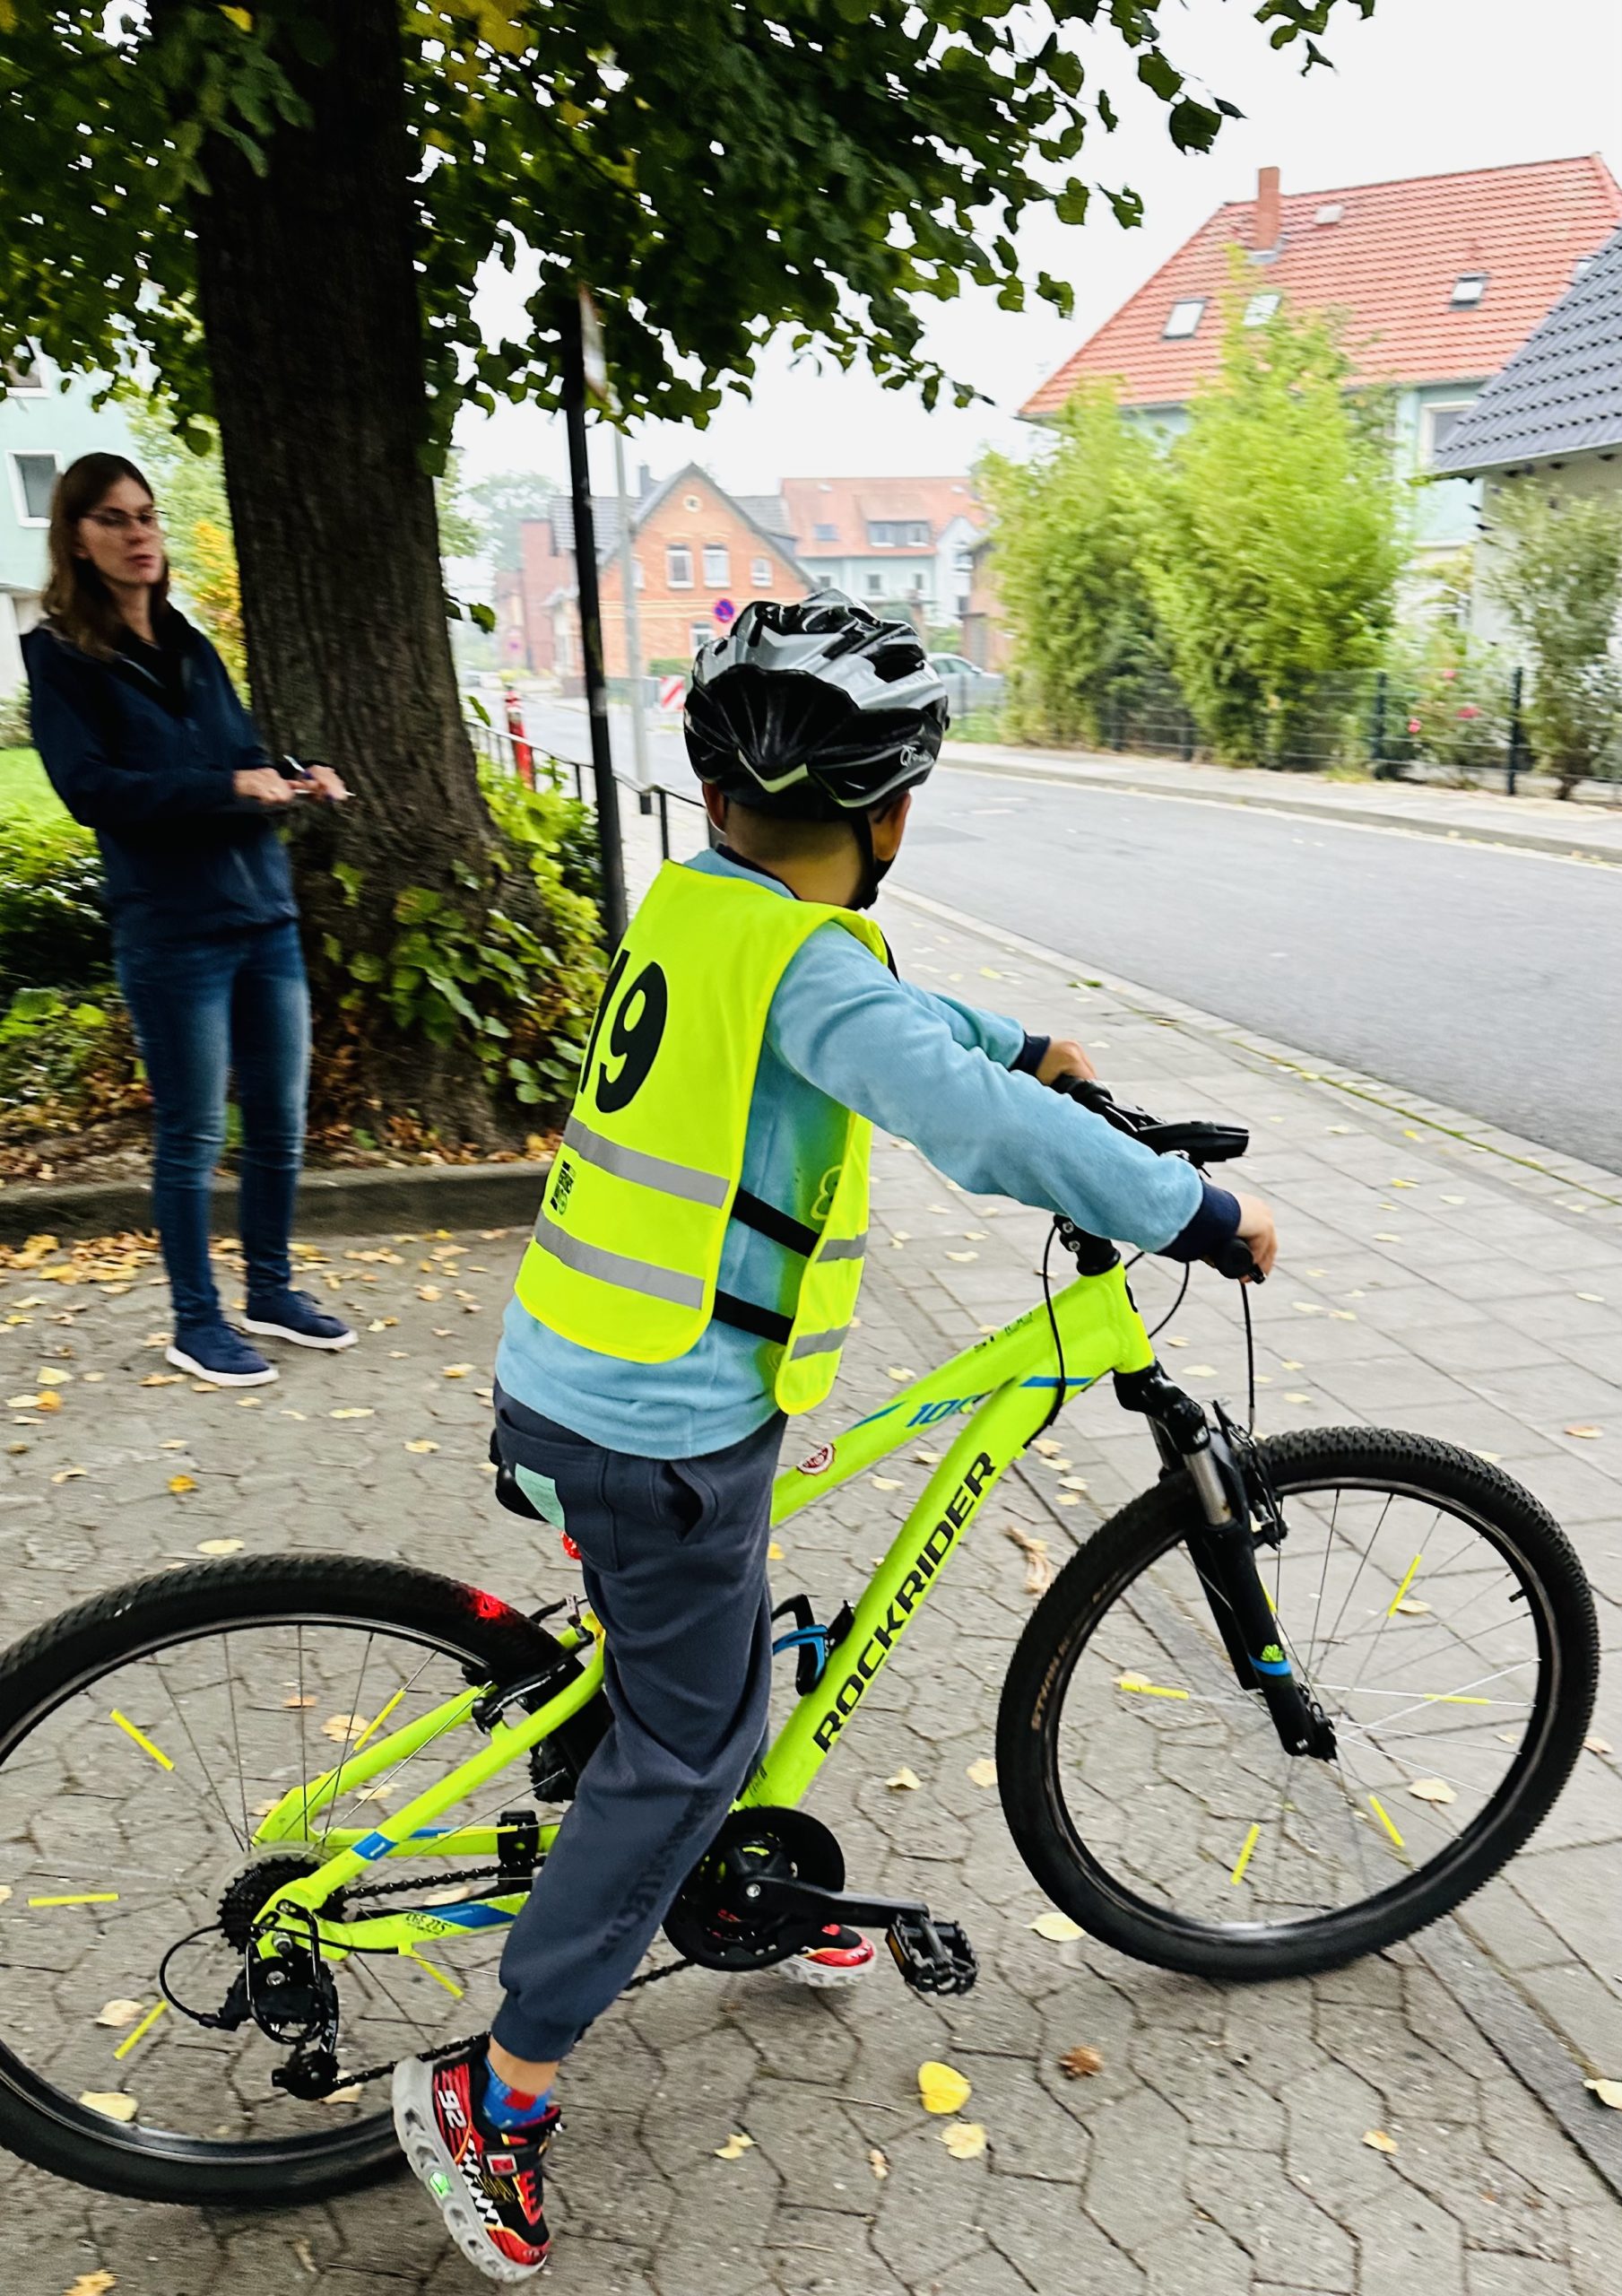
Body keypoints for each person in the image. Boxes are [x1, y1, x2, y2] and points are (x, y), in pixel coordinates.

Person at [392, 591, 1278, 2281]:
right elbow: (954, 1117)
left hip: (584, 1372)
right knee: (694, 1747)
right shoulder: (804, 959)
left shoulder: (708, 909)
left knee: (713, 1649)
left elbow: (880, 1013)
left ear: (723, 798)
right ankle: (498, 2093)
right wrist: (1186, 1204)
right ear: (883, 815)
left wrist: (1018, 1037)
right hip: (653, 1426)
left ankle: (736, 1883)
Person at [22, 451, 355, 1387]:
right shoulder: (59, 656)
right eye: (115, 520)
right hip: (172, 931)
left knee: (281, 1124)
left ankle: (271, 1292)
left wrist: (293, 774)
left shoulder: (187, 639)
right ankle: (195, 1320)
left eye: (148, 517)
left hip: (263, 911)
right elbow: (92, 790)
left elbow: (237, 748)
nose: (139, 536)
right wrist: (225, 784)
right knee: (192, 1135)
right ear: (78, 541)